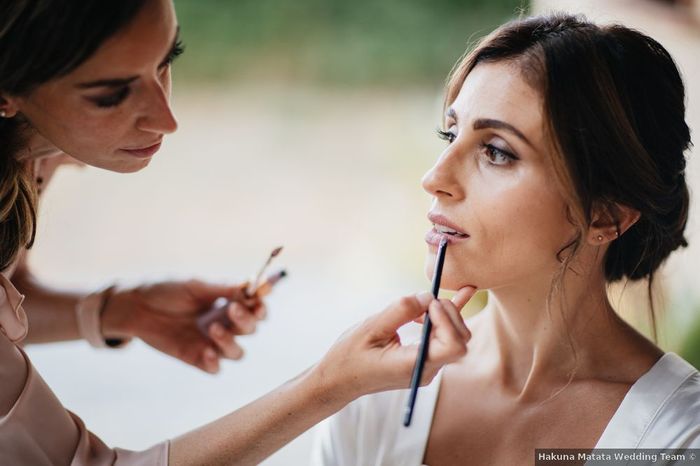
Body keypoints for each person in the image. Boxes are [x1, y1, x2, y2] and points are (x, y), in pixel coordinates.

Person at [0, 1, 477, 465]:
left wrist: (119, 310)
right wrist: (328, 385)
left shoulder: (32, 139)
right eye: (110, 95)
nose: (167, 118)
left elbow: (10, 295)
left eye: (167, 61)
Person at [311, 13, 700, 466]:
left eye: (496, 151)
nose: (434, 177)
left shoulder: (678, 441)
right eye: (450, 133)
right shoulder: (375, 396)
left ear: (607, 214)